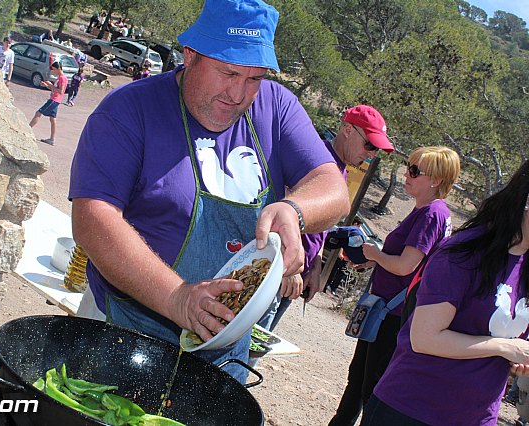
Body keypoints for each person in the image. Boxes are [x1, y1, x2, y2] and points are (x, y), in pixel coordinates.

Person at [69, 0, 350, 384]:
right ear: (191, 56)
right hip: (123, 328)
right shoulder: (129, 109)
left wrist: (295, 210)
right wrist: (179, 298)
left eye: (254, 79)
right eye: (228, 72)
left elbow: (333, 186)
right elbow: (93, 218)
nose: (239, 93)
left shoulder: (277, 106)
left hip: (224, 348)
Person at [361, 160, 529, 426]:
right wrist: (506, 346)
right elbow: (425, 338)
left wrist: (516, 358)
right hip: (411, 409)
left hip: (476, 416)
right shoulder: (464, 253)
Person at [329, 145, 461, 426]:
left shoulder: (430, 214)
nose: (407, 174)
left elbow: (405, 266)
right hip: (388, 310)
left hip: (393, 315)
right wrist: (375, 259)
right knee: (359, 382)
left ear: (435, 180)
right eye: (409, 167)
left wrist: (374, 253)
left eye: (415, 171)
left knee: (370, 389)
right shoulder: (430, 212)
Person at [258, 105, 394, 333]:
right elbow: (283, 212)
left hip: (297, 272)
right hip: (279, 269)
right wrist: (288, 268)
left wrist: (315, 265)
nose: (371, 154)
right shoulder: (313, 160)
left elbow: (318, 223)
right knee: (246, 347)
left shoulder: (338, 170)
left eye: (376, 150)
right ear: (348, 131)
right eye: (369, 145)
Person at [28, 62, 67, 146]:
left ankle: (27, 129)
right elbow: (55, 89)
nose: (54, 71)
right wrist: (47, 85)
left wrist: (50, 85)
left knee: (38, 113)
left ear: (59, 68)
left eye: (55, 70)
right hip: (55, 99)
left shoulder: (62, 78)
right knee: (52, 119)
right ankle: (52, 139)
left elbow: (61, 91)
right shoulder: (59, 77)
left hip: (54, 99)